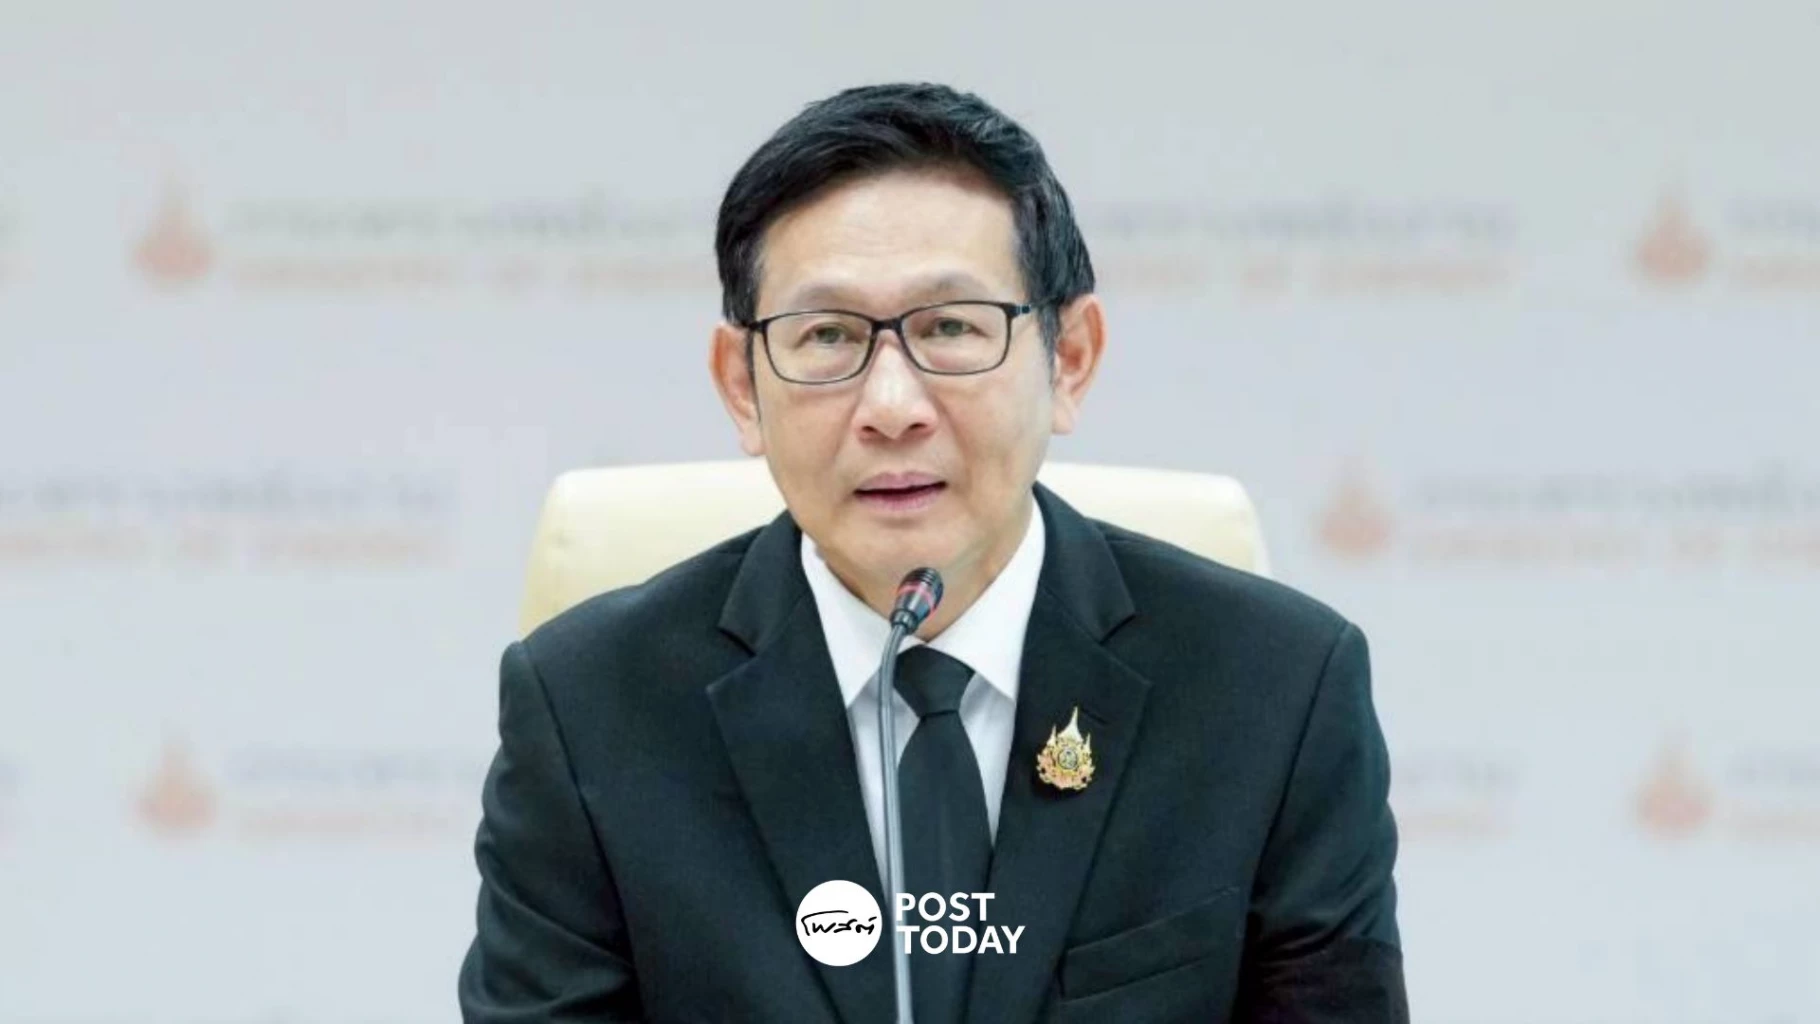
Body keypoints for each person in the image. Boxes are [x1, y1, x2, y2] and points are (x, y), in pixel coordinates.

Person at [458, 82, 1407, 1023]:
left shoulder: (1275, 690)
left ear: (1070, 358)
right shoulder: (589, 713)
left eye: (951, 327)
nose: (891, 407)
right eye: (827, 335)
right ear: (742, 388)